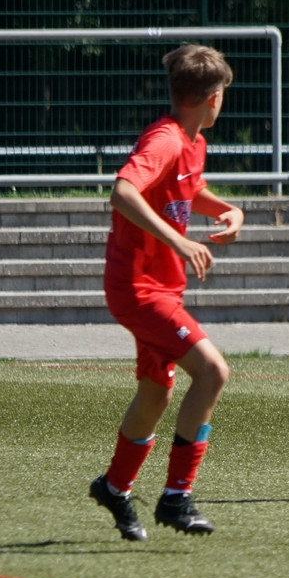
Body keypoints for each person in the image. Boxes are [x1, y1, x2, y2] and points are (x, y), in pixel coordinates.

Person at [89, 44, 243, 540]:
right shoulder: (166, 139)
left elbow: (188, 191)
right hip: (138, 288)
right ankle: (177, 496)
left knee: (155, 395)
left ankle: (114, 487)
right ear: (213, 98)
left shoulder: (191, 143)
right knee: (213, 371)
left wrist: (228, 209)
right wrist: (180, 239)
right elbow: (124, 190)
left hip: (160, 289)